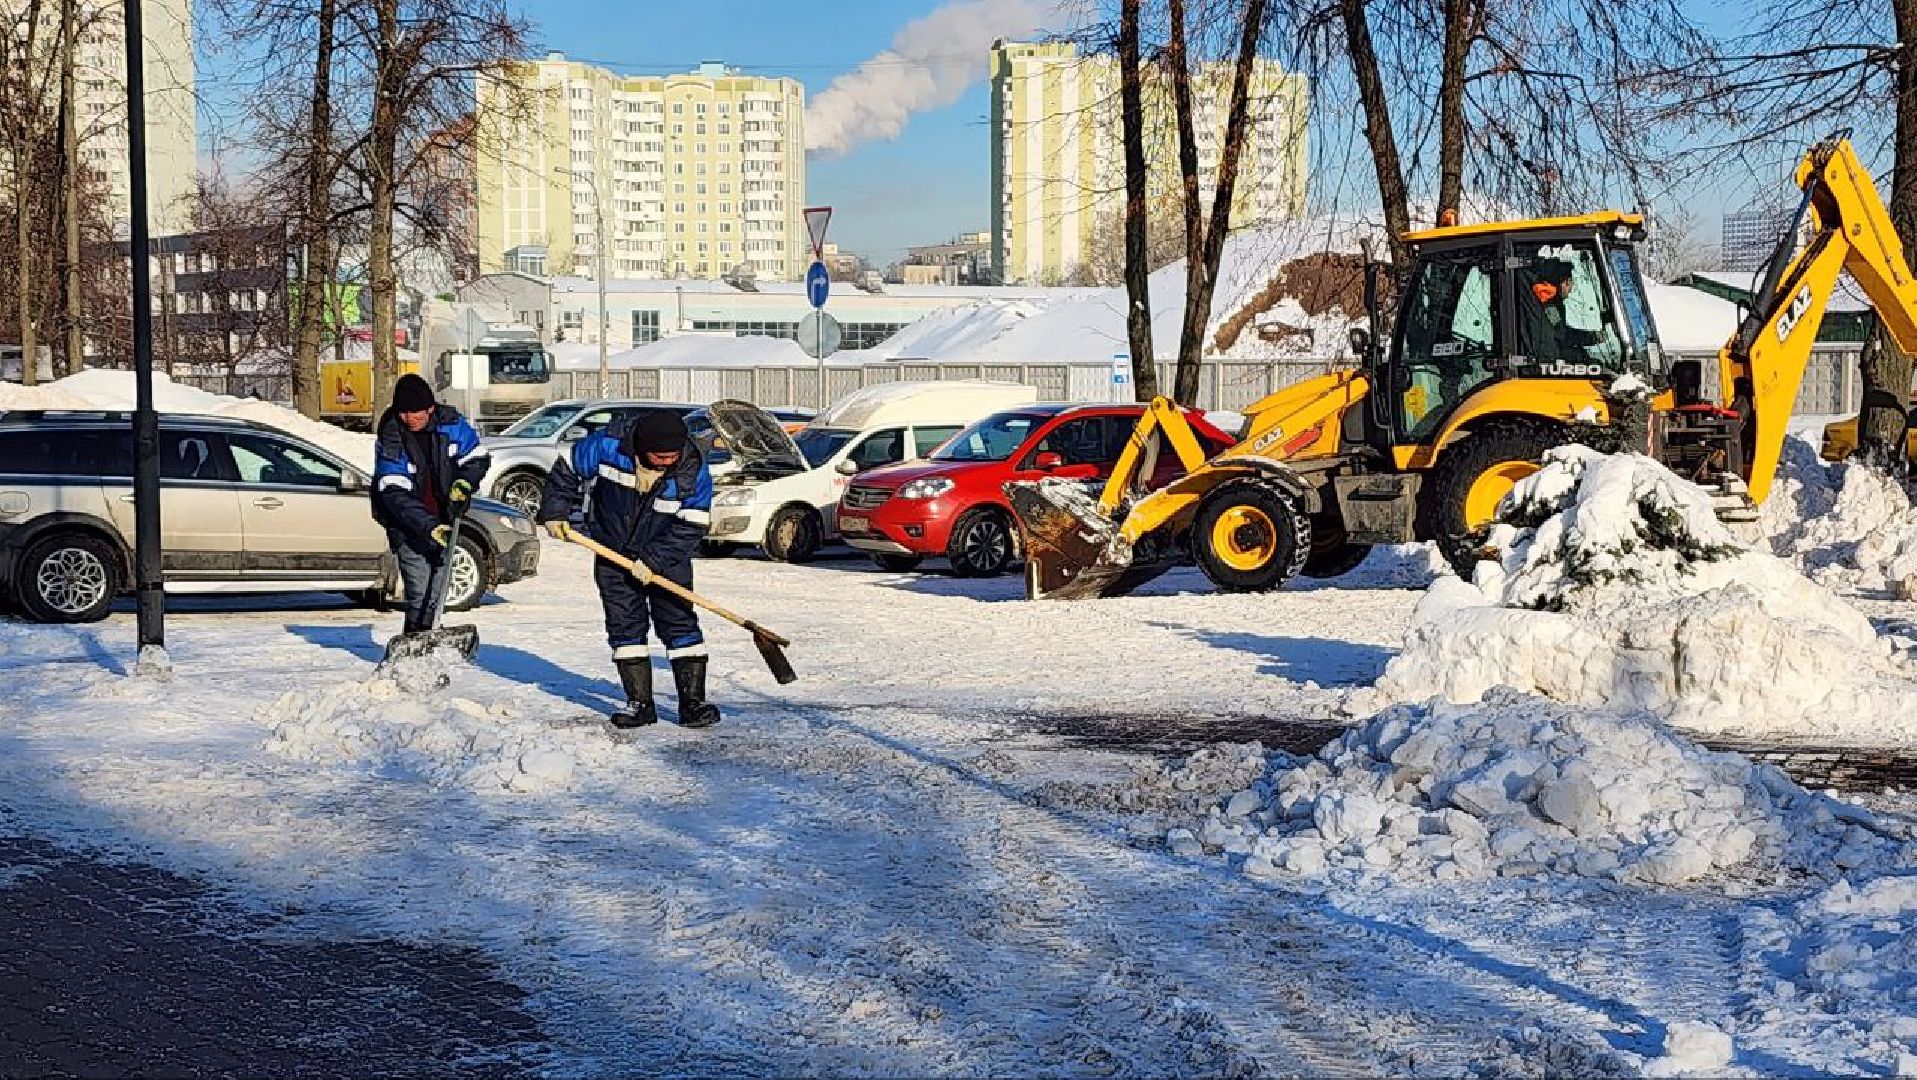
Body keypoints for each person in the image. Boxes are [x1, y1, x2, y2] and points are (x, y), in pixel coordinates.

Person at [539, 409, 720, 729]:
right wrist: (555, 511)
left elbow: (693, 524)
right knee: (625, 627)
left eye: (673, 456)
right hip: (612, 552)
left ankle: (693, 703)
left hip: (667, 558)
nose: (667, 462)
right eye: (660, 456)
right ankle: (640, 704)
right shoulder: (610, 445)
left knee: (679, 624)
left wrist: (653, 561)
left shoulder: (693, 470)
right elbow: (567, 467)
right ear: (642, 447)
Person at [371, 373, 490, 637]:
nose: (409, 418)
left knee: (438, 590)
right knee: (419, 590)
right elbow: (393, 492)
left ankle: (430, 638)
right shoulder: (391, 436)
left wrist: (464, 483)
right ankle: (415, 641)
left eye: (415, 412)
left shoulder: (451, 424)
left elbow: (477, 458)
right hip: (407, 524)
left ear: (430, 409)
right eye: (404, 412)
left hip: (447, 518)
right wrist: (429, 526)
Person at [1517, 258, 1607, 366]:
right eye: (1571, 284)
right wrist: (1591, 339)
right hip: (1536, 364)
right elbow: (1561, 335)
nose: (1571, 291)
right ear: (1566, 282)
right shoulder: (1548, 301)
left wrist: (1590, 339)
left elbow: (1559, 334)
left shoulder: (1541, 295)